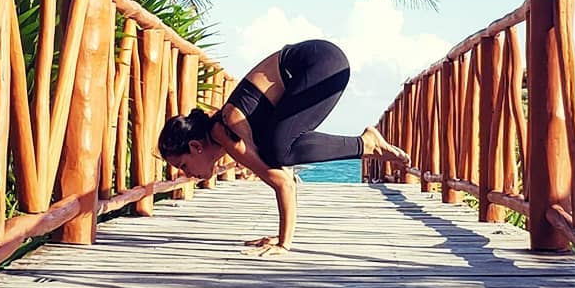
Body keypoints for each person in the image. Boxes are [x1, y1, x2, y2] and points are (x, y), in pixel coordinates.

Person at [158, 38, 410, 258]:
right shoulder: (224, 131)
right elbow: (282, 174)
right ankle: (366, 143)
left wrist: (283, 243)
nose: (186, 174)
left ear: (195, 146)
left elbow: (282, 182)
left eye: (183, 165)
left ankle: (367, 143)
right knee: (276, 149)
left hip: (321, 63)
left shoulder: (225, 132)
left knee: (277, 150)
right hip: (324, 62)